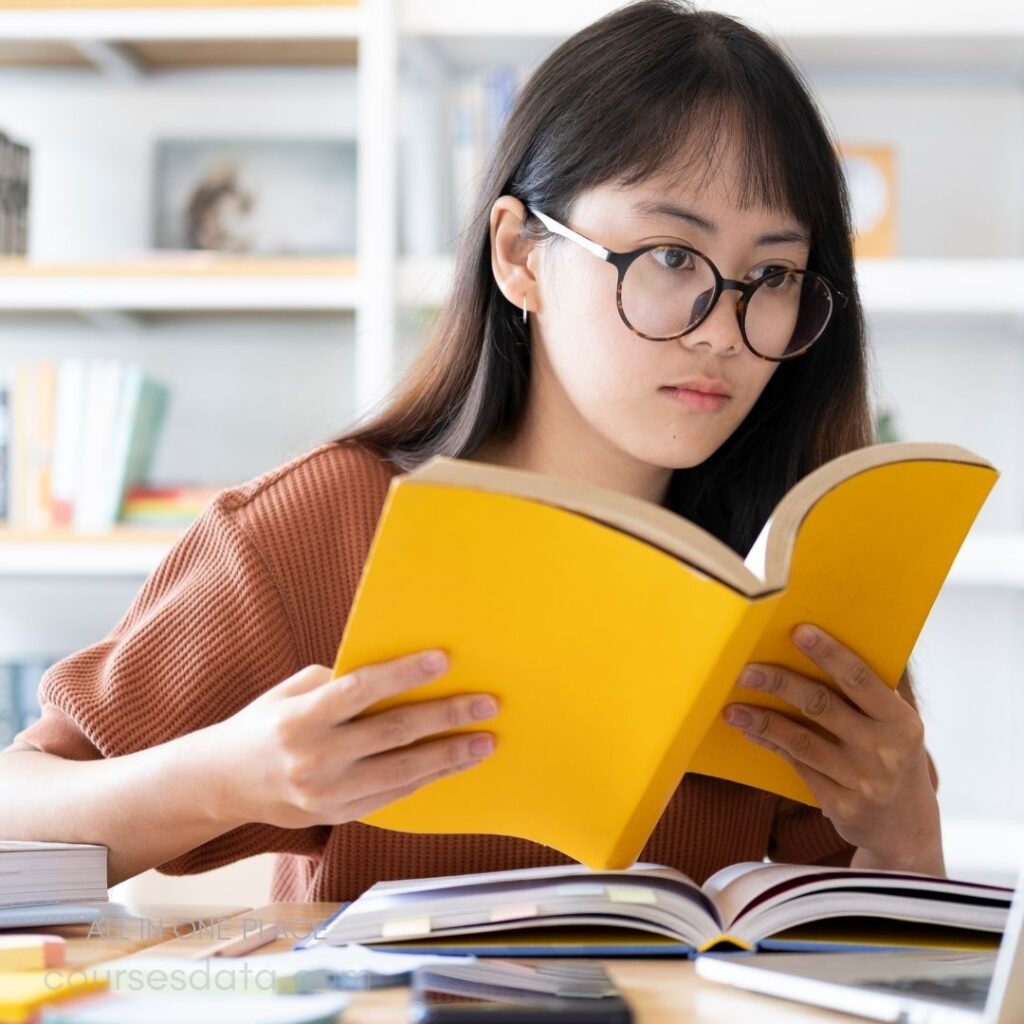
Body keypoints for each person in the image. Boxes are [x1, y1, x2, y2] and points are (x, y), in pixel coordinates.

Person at [0, 0, 943, 903]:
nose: (722, 331)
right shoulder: (328, 526)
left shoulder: (793, 585)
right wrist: (230, 778)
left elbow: (874, 953)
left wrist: (906, 832)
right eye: (669, 254)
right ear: (520, 256)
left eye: (771, 274)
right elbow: (17, 815)